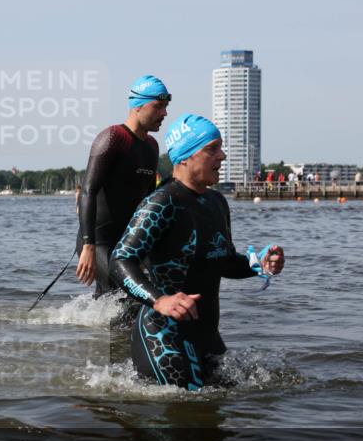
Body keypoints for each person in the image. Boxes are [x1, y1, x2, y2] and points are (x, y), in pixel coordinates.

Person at [110, 114, 285, 389]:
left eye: (221, 148)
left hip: (206, 336)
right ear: (186, 156)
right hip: (164, 336)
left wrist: (258, 264)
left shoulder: (216, 202)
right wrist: (160, 301)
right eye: (212, 149)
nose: (223, 156)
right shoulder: (160, 203)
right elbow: (120, 259)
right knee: (183, 421)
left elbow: (224, 261)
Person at [76, 75, 168, 295]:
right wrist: (88, 248)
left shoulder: (152, 146)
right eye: (158, 106)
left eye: (165, 107)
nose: (164, 113)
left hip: (128, 240)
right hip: (98, 242)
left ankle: (92, 327)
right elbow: (88, 191)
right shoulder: (113, 138)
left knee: (152, 289)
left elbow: (148, 199)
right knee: (124, 296)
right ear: (137, 106)